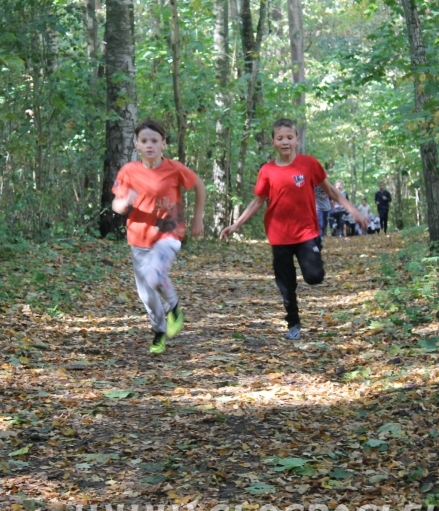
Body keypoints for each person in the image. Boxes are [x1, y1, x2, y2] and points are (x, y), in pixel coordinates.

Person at [219, 118, 367, 340]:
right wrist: (236, 224)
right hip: (279, 235)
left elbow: (331, 192)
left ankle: (316, 248)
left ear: (297, 139)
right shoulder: (267, 170)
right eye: (280, 138)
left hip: (306, 232)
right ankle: (293, 323)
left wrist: (353, 211)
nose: (285, 142)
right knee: (286, 284)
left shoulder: (309, 164)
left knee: (314, 277)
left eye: (289, 137)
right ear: (273, 142)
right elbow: (257, 202)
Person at [111, 119, 205, 354]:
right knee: (147, 296)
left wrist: (198, 218)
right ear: (137, 145)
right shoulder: (129, 171)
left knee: (155, 276)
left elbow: (199, 186)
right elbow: (116, 205)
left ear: (163, 144)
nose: (149, 145)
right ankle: (159, 331)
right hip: (139, 239)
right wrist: (125, 203)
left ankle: (174, 308)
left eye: (154, 141)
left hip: (169, 234)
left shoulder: (175, 168)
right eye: (144, 141)